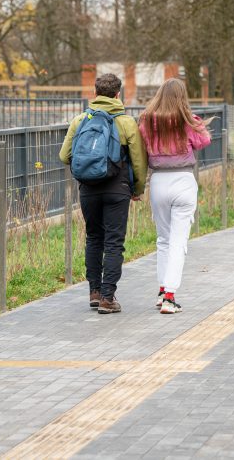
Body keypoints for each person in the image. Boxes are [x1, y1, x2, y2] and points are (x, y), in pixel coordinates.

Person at [59, 73, 147, 313]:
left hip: (88, 188)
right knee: (114, 242)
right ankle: (108, 298)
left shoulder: (80, 121)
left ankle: (95, 292)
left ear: (94, 93)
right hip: (117, 188)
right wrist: (137, 189)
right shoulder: (127, 122)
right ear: (118, 95)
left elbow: (64, 156)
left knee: (94, 238)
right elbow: (138, 161)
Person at [139, 78, 211, 314]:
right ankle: (170, 296)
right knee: (179, 241)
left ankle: (161, 291)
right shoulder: (187, 121)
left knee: (163, 239)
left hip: (158, 181)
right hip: (183, 180)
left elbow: (141, 143)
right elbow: (204, 141)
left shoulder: (147, 122)